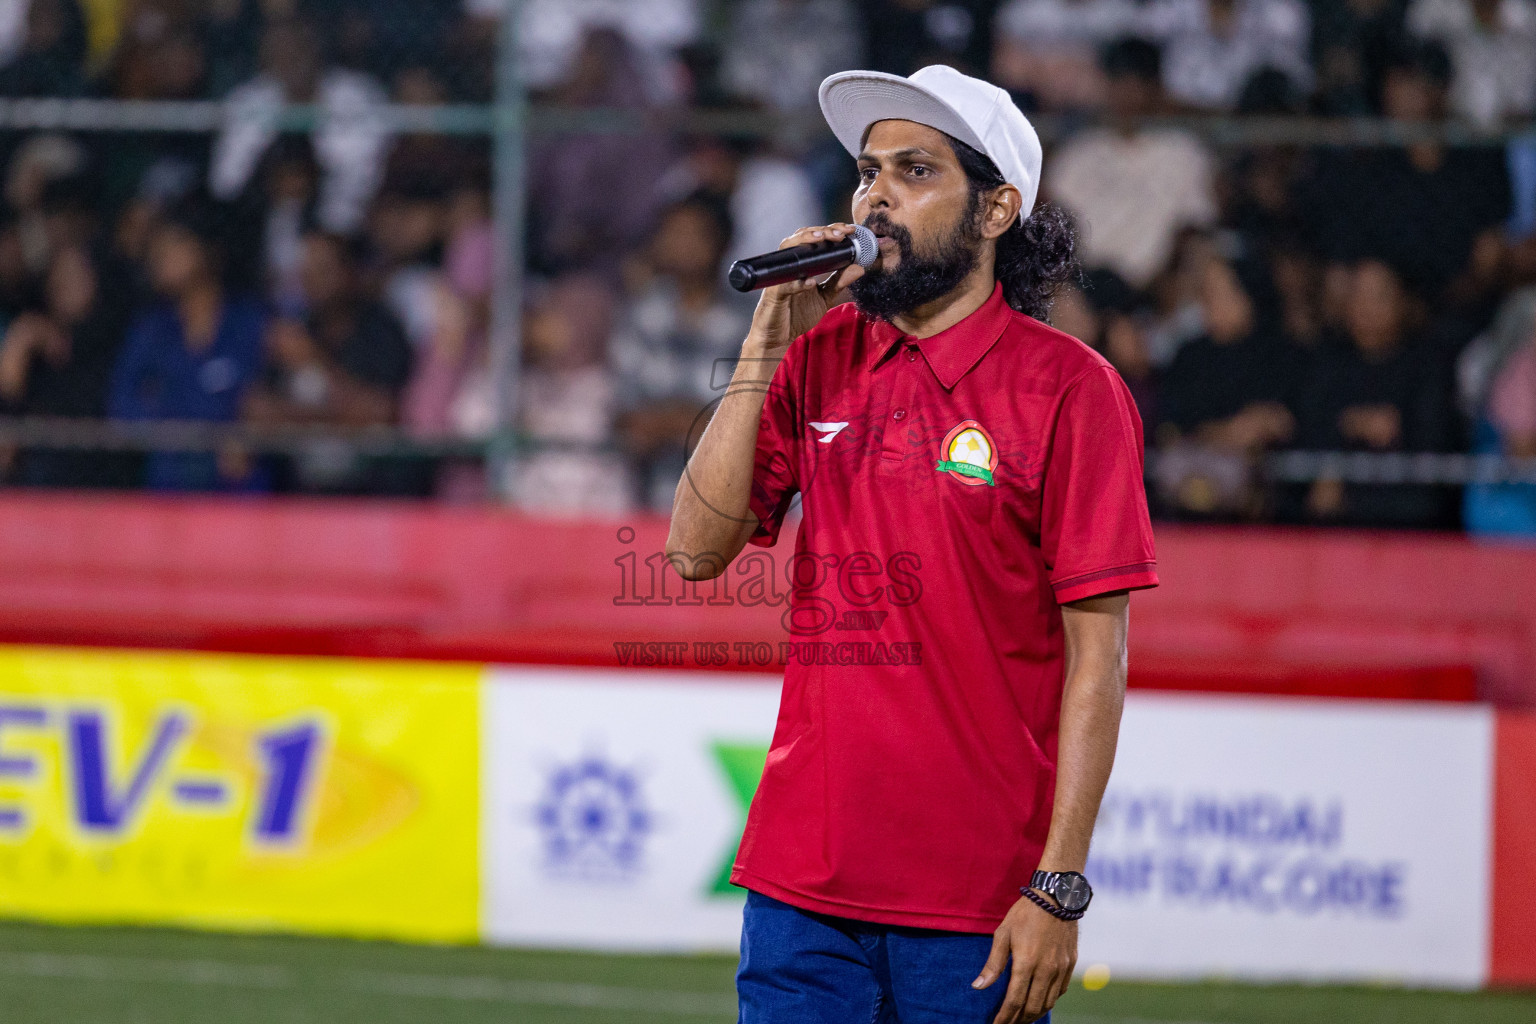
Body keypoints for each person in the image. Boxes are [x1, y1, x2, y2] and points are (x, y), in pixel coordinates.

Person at [667, 64, 1157, 1024]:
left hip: (976, 899)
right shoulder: (817, 355)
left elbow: (1099, 654)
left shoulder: (1071, 388)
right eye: (866, 172)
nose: (875, 196)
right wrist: (770, 338)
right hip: (801, 887)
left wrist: (1058, 886)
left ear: (995, 209)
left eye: (916, 171)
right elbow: (692, 550)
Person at [108, 201, 266, 491]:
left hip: (240, 492)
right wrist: (169, 428)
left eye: (175, 243)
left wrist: (247, 432)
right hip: (169, 488)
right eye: (158, 247)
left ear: (208, 251)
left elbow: (262, 400)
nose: (160, 255)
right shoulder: (152, 329)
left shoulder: (249, 323)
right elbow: (123, 405)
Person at [1046, 38, 1218, 290]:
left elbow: (1193, 228)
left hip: (1159, 291)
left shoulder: (1185, 153)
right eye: (1119, 84)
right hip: (1085, 292)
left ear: (1155, 88)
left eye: (1137, 85)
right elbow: (1056, 226)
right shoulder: (1077, 154)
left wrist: (1159, 287)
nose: (1127, 96)